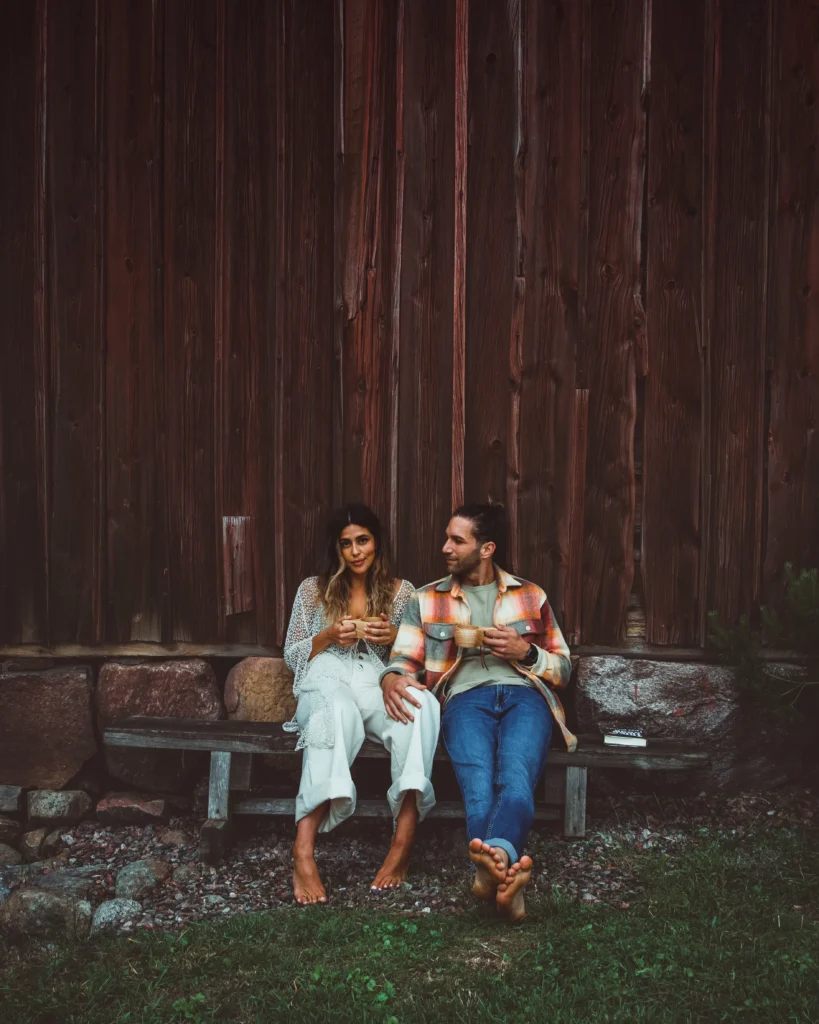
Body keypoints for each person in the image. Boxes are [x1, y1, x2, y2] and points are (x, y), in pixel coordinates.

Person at [380, 503, 574, 923]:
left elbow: (563, 668)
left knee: (516, 777)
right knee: (478, 784)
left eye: (457, 540)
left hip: (526, 696)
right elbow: (402, 660)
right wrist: (391, 679)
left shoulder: (530, 595)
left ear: (486, 548)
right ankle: (508, 877)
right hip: (464, 699)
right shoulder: (427, 599)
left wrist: (528, 652)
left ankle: (492, 870)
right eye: (447, 537)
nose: (445, 547)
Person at [283, 503, 440, 905]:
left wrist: (391, 640)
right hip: (326, 674)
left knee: (420, 706)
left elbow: (413, 656)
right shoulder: (311, 590)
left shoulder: (402, 591)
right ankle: (303, 849)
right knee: (335, 713)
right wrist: (329, 636)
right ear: (335, 549)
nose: (356, 551)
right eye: (346, 544)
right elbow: (292, 653)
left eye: (363, 541)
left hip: (375, 675)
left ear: (376, 542)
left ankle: (403, 838)